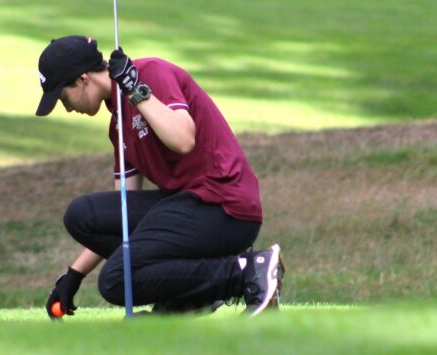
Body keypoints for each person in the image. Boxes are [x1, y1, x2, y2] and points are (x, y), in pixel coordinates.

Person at [35, 35, 284, 318]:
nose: (67, 108)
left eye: (63, 97)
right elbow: (122, 215)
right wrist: (74, 274)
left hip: (223, 207)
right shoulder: (118, 125)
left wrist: (135, 90)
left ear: (82, 80)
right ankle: (189, 294)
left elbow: (183, 139)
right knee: (82, 216)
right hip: (188, 209)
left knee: (116, 280)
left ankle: (246, 272)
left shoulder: (150, 73)